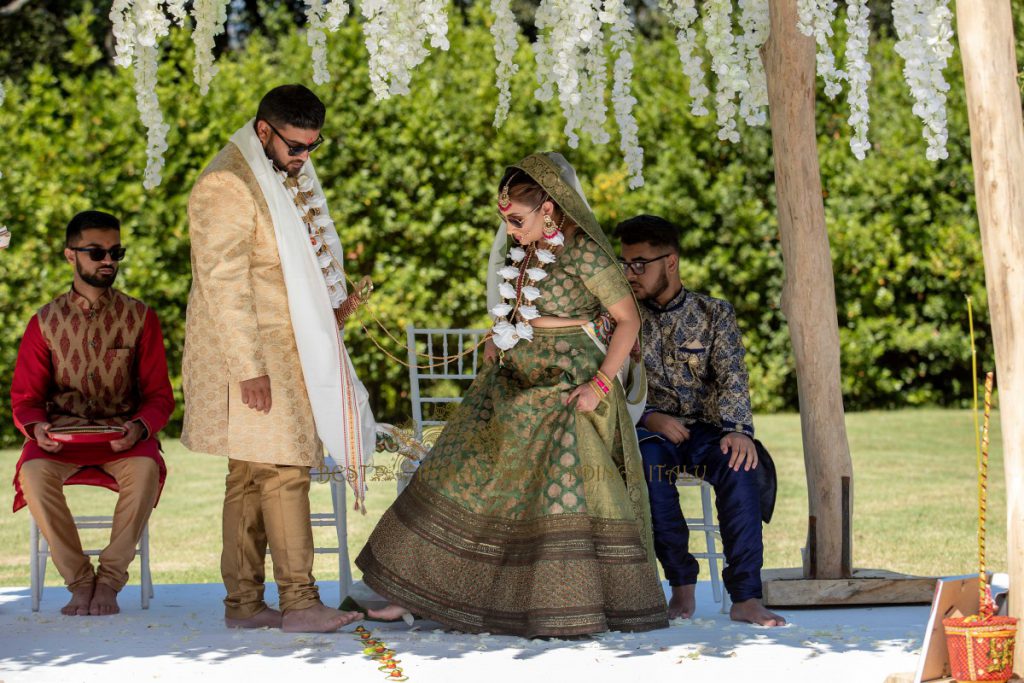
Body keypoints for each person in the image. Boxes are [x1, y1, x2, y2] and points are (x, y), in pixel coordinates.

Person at [357, 153, 668, 638]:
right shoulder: (519, 251)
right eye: (505, 221)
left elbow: (629, 321)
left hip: (570, 382)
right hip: (513, 374)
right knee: (454, 465)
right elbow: (515, 307)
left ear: (549, 209)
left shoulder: (586, 253)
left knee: (553, 442)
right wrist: (498, 337)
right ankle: (417, 592)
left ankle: (563, 602)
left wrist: (599, 385)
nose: (511, 231)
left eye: (517, 220)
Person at [182, 84, 374, 633]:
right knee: (287, 468)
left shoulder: (282, 169)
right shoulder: (227, 182)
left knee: (248, 475)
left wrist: (330, 304)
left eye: (312, 146)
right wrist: (249, 369)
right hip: (249, 355)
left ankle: (243, 604)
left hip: (285, 350)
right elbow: (224, 282)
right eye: (294, 146)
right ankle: (298, 602)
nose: (303, 158)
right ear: (263, 130)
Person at [614, 214, 785, 626]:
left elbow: (732, 375)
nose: (630, 274)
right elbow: (613, 381)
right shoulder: (621, 318)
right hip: (646, 430)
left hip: (708, 430)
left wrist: (739, 431)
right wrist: (651, 418)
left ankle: (746, 596)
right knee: (648, 468)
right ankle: (681, 583)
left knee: (741, 465)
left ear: (670, 262)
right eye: (625, 264)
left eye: (640, 264)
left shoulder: (714, 313)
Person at [10, 210, 173, 616]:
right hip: (60, 440)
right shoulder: (44, 323)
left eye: (116, 252)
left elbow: (159, 396)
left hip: (124, 438)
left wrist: (139, 427)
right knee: (31, 474)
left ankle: (111, 581)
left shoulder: (140, 318)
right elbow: (26, 397)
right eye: (97, 252)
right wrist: (37, 427)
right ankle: (80, 581)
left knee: (146, 471)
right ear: (71, 256)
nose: (108, 261)